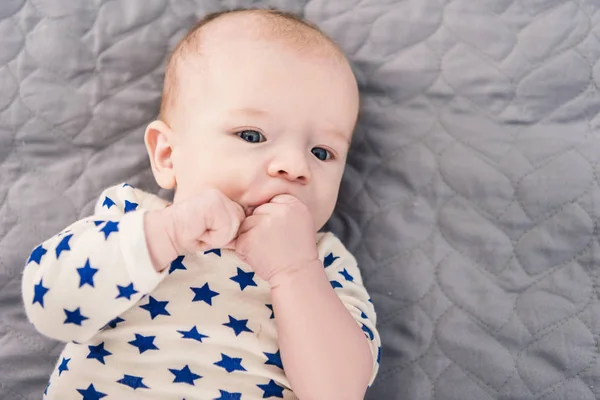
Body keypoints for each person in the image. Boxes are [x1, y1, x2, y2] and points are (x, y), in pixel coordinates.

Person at [22, 8, 380, 400]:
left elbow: (341, 393)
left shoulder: (324, 263)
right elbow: (50, 304)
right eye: (252, 135)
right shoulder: (132, 221)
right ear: (168, 156)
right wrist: (167, 233)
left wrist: (295, 271)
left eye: (322, 152)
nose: (295, 166)